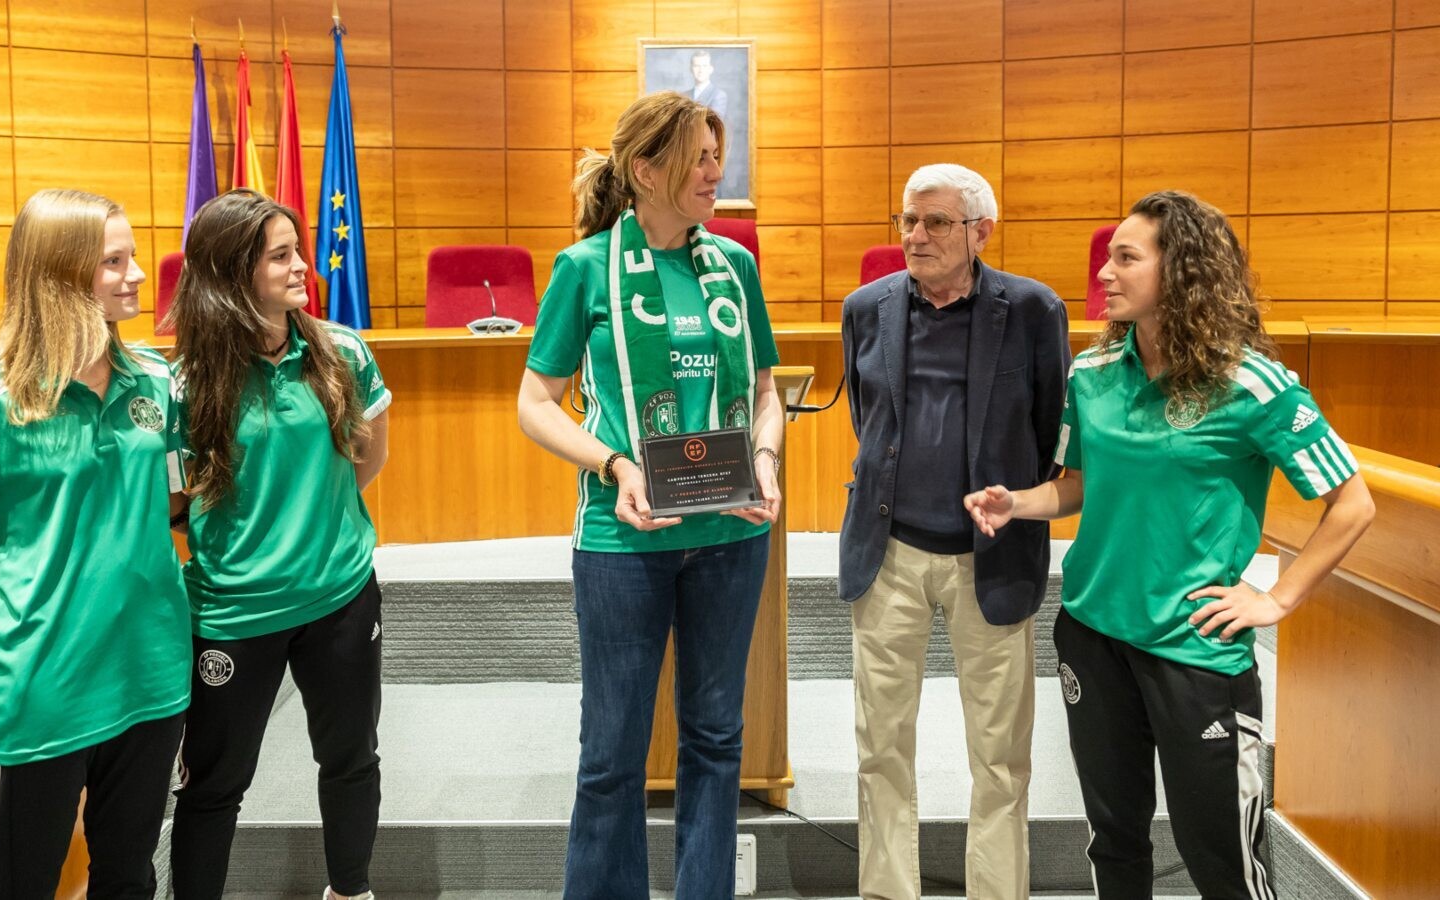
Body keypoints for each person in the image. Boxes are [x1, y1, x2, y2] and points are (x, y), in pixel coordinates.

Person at [966, 190, 1376, 899]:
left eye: (1127, 258)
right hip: (1094, 636)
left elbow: (1352, 502)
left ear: (1181, 270)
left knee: (1219, 853)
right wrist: (1019, 502)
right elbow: (1080, 486)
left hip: (1197, 651)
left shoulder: (1253, 383)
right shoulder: (1090, 376)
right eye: (1107, 258)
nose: (1106, 273)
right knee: (1114, 839)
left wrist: (1277, 597)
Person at [517, 91, 784, 900]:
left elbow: (766, 390)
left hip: (731, 535)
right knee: (611, 754)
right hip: (622, 542)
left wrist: (765, 458)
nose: (716, 172)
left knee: (716, 739)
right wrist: (616, 466)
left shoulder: (734, 264)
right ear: (645, 170)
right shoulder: (585, 267)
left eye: (716, 155)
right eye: (700, 158)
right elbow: (535, 402)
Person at [0, 188, 189, 898]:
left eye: (131, 258)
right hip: (38, 691)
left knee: (129, 877)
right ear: (57, 274)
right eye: (113, 262)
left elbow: (169, 502)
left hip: (149, 678)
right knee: (20, 887)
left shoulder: (157, 379)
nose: (135, 276)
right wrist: (20, 628)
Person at [840, 163, 1069, 900]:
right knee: (881, 749)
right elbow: (870, 428)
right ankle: (887, 893)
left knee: (1000, 759)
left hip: (990, 558)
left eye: (935, 222)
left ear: (980, 231)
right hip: (891, 555)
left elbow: (1047, 433)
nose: (915, 235)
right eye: (908, 219)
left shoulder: (1034, 311)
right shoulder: (865, 307)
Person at [166, 189, 392, 900]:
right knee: (214, 785)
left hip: (341, 600)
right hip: (233, 615)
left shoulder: (342, 351)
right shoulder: (184, 384)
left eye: (299, 250)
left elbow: (367, 457)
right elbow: (170, 504)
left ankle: (350, 890)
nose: (303, 268)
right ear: (234, 273)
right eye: (282, 255)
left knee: (351, 758)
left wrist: (311, 522)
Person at [685, 50, 729, 117]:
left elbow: (714, 123)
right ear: (691, 69)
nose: (701, 70)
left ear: (711, 69)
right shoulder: (684, 95)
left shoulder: (719, 95)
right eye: (696, 66)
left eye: (704, 66)